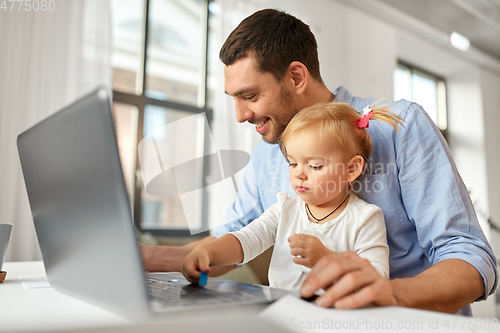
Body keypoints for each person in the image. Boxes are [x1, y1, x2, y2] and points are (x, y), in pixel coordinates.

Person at [141, 9, 497, 315]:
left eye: (249, 96)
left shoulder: (398, 126)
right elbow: (230, 244)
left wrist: (392, 295)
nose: (240, 115)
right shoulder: (269, 151)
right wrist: (147, 257)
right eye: (234, 98)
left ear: (296, 77)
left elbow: (472, 259)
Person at [182, 102, 403, 290]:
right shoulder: (285, 208)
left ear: (351, 169)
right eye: (293, 163)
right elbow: (246, 240)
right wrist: (209, 252)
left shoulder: (365, 218)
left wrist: (327, 259)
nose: (299, 173)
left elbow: (378, 281)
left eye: (315, 166)